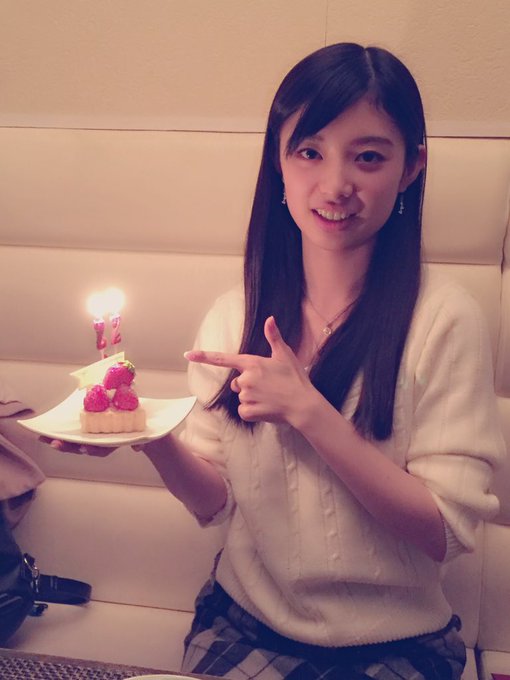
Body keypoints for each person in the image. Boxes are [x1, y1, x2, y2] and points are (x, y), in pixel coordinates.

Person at [52, 43, 505, 679]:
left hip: (397, 644)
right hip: (245, 623)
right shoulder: (233, 316)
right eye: (309, 152)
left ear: (411, 168)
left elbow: (445, 533)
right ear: (279, 162)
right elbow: (216, 505)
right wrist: (150, 437)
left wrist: (310, 413)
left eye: (368, 157)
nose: (336, 185)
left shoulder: (443, 320)